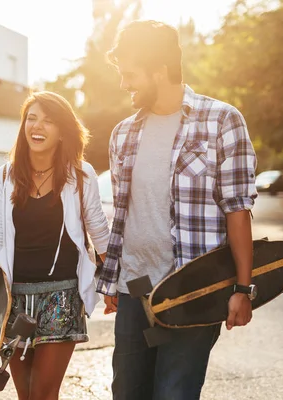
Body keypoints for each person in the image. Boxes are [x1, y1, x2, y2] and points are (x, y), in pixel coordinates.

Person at [96, 20, 259, 399]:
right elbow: (123, 214)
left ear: (160, 70)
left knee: (174, 393)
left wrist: (243, 289)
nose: (124, 84)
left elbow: (237, 210)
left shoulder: (221, 121)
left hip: (193, 290)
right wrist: (112, 277)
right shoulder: (123, 133)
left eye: (130, 74)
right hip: (135, 288)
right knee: (127, 392)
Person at [0, 91, 110, 400]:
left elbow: (99, 232)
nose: (38, 126)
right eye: (31, 118)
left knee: (43, 394)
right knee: (26, 394)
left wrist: (114, 284)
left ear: (62, 132)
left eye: (48, 121)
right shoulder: (6, 175)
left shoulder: (80, 174)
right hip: (14, 301)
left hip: (62, 296)